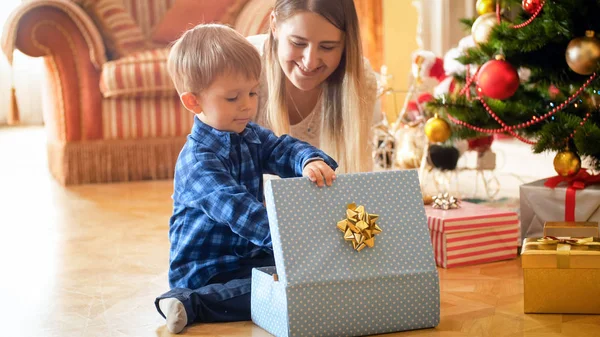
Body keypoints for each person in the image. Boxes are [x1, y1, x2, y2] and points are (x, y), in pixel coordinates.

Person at [154, 23, 338, 334]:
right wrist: (290, 241)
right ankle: (188, 302)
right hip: (205, 270)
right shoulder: (198, 161)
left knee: (300, 275)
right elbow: (238, 210)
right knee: (278, 289)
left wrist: (308, 159)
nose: (247, 105)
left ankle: (270, 276)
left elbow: (280, 148)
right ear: (194, 102)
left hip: (245, 255)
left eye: (253, 92)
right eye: (232, 98)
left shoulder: (248, 133)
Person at [249, 0, 379, 174]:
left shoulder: (361, 80)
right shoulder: (241, 67)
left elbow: (357, 174)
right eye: (298, 43)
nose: (310, 62)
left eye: (327, 47)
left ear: (345, 44)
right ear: (274, 25)